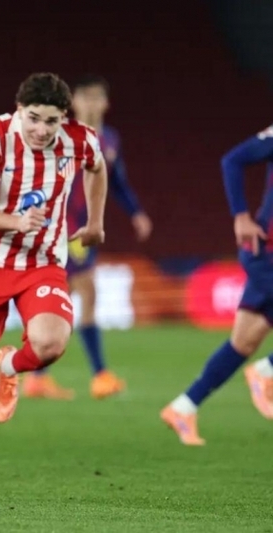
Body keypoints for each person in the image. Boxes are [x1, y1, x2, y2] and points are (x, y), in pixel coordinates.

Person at [0, 72, 107, 481]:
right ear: (19, 110)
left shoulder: (79, 139)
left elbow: (97, 166)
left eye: (51, 121)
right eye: (34, 118)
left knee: (51, 343)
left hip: (43, 262)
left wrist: (95, 222)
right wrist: (17, 222)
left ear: (63, 118)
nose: (41, 129)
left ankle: (10, 366)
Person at [22, 75, 153, 401]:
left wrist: (136, 212)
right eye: (85, 97)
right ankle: (97, 375)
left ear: (106, 103)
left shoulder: (109, 139)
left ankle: (38, 375)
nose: (91, 103)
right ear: (74, 102)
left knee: (64, 297)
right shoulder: (61, 135)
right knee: (84, 292)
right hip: (63, 228)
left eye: (97, 97)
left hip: (84, 229)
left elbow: (116, 181)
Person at [161, 123, 273, 446]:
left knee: (244, 341)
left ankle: (183, 408)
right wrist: (241, 215)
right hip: (266, 251)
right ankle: (266, 371)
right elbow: (232, 160)